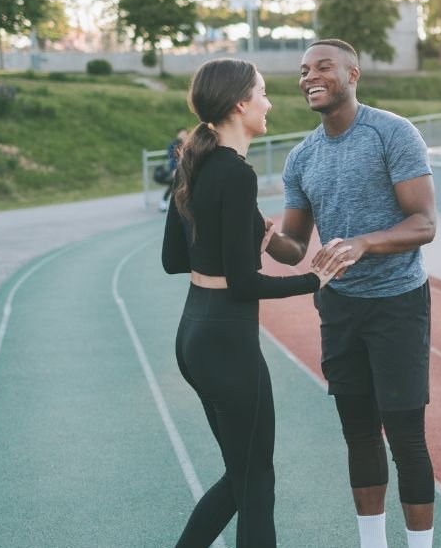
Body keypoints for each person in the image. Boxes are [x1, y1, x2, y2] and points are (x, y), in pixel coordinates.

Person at [161, 58, 354, 548]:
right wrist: (315, 279)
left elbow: (172, 258)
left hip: (194, 335)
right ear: (241, 104)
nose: (269, 103)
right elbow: (244, 284)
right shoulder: (236, 173)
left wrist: (246, 231)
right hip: (228, 342)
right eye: (263, 93)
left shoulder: (195, 161)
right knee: (256, 482)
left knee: (241, 476)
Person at [265, 39, 439, 548]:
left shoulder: (393, 133)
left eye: (323, 67)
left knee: (405, 436)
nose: (310, 77)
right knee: (359, 433)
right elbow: (295, 247)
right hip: (339, 307)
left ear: (353, 74)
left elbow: (424, 223)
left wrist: (364, 243)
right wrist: (265, 237)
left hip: (398, 304)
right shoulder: (301, 157)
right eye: (303, 71)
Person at [158, 127, 188, 213]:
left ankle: (181, 204)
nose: (183, 135)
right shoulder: (173, 145)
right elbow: (172, 158)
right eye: (182, 134)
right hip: (177, 169)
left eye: (185, 133)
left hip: (187, 169)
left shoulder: (189, 143)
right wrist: (175, 169)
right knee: (173, 186)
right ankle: (164, 202)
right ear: (178, 134)